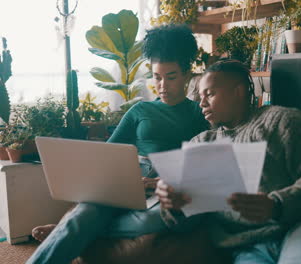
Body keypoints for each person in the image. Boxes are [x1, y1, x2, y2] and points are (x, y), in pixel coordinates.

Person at [27, 24, 208, 264]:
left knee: (156, 220)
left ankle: (70, 231)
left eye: (171, 77)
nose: (163, 85)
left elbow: (204, 161)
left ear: (186, 74)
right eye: (156, 77)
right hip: (130, 177)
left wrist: (166, 182)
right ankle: (72, 229)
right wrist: (125, 179)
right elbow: (107, 155)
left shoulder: (200, 113)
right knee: (86, 212)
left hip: (168, 186)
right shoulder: (140, 109)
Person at [155, 59, 301, 264]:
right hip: (250, 247)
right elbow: (184, 222)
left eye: (210, 94)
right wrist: (173, 204)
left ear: (238, 92)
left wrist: (276, 204)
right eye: (200, 97)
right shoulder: (201, 144)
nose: (202, 103)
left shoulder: (282, 120)